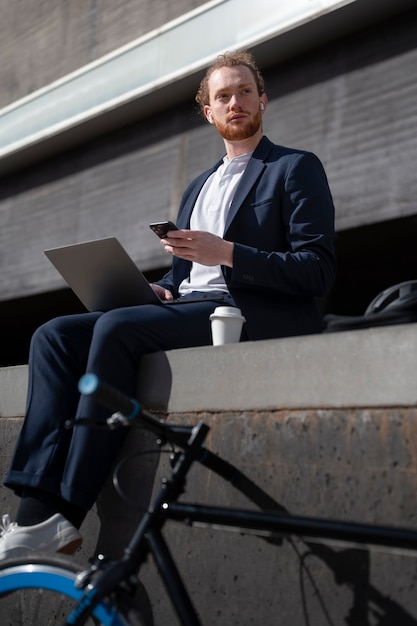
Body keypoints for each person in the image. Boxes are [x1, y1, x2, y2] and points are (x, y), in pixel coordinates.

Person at [0, 50, 336, 558]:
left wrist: (226, 252)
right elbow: (186, 275)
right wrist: (163, 287)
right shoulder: (198, 186)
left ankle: (68, 511)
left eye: (245, 91)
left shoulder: (295, 167)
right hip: (188, 306)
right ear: (209, 112)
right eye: (223, 95)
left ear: (263, 99)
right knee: (54, 334)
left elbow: (316, 269)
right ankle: (32, 514)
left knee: (114, 330)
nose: (236, 101)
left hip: (246, 315)